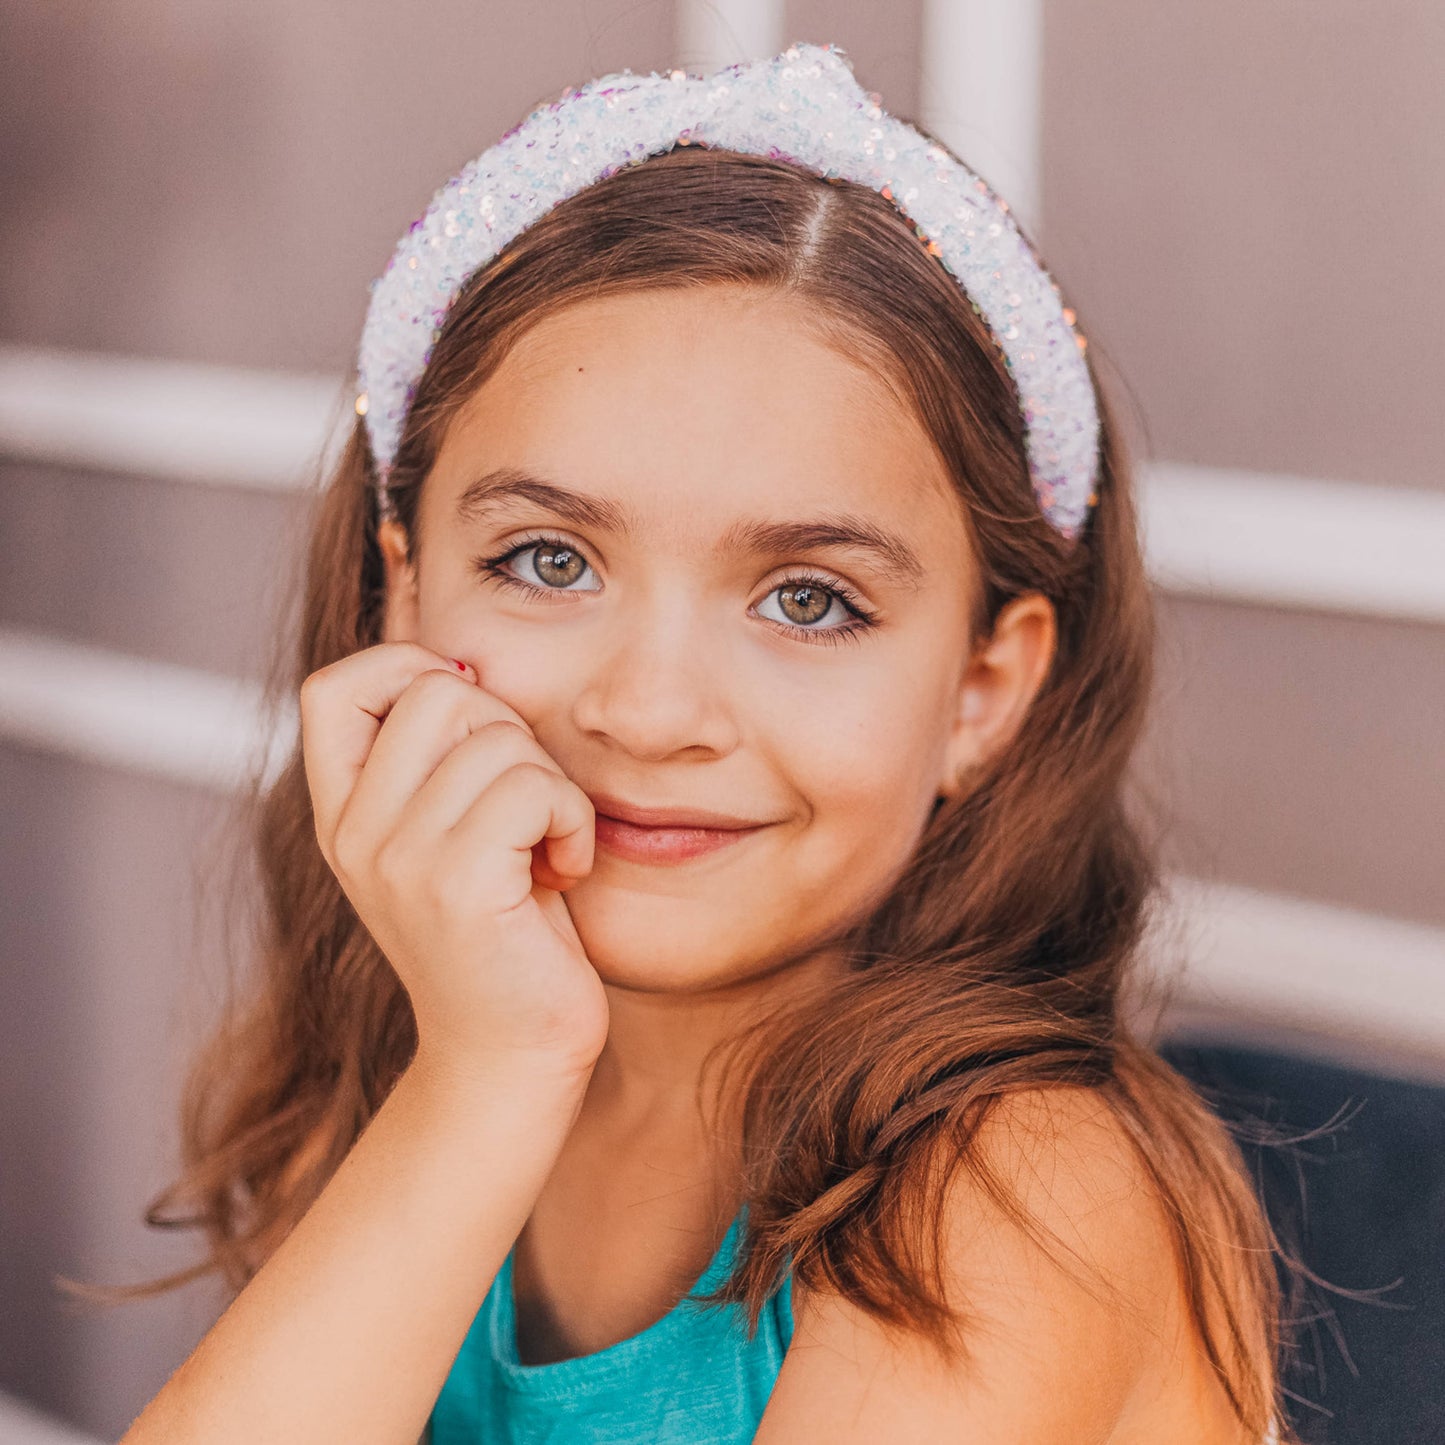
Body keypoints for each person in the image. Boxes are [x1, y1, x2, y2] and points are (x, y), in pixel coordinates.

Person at [109, 41, 1297, 1444]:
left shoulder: (1020, 1188)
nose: (651, 712)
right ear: (402, 592)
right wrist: (487, 1076)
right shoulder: (432, 1072)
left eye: (810, 599)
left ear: (981, 692)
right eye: (548, 561)